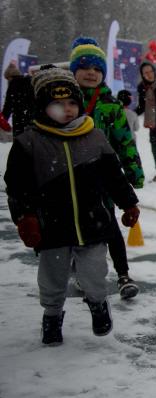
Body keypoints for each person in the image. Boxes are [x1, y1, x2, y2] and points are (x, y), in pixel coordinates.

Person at [4, 65, 140, 345]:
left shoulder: (94, 137)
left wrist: (128, 203)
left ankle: (98, 304)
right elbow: (18, 185)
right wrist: (25, 216)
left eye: (72, 103)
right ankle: (52, 316)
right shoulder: (29, 142)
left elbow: (113, 175)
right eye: (57, 104)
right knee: (52, 278)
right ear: (42, 107)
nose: (66, 109)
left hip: (93, 223)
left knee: (95, 274)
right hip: (52, 227)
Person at [70, 36, 145, 299]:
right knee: (73, 227)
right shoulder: (64, 104)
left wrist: (134, 172)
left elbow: (125, 142)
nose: (91, 73)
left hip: (102, 177)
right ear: (73, 71)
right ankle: (80, 271)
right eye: (85, 67)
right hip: (67, 178)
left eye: (97, 69)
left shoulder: (111, 106)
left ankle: (123, 274)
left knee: (110, 225)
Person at [1, 61, 35, 136]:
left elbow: (8, 104)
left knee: (19, 142)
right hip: (32, 118)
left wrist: (3, 119)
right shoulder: (29, 81)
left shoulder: (13, 84)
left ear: (10, 76)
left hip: (19, 118)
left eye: (7, 79)